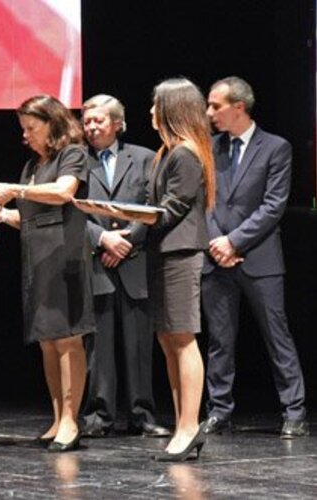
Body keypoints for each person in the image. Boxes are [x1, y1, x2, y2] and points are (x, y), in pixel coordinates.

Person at [0, 95, 95, 453]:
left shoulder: (72, 154)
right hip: (38, 260)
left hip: (65, 256)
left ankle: (72, 420)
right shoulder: (32, 165)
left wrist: (17, 190)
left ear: (52, 124)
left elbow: (63, 192)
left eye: (31, 128)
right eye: (24, 129)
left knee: (67, 338)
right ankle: (58, 417)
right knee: (48, 340)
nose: (25, 135)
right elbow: (29, 217)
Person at [201, 76, 307, 438]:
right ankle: (219, 410)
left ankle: (294, 411)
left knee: (277, 336)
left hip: (259, 258)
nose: (209, 112)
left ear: (239, 107)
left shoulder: (275, 147)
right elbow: (205, 202)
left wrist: (234, 242)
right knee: (220, 340)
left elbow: (273, 205)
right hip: (216, 258)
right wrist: (217, 243)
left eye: (216, 106)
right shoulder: (209, 147)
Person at [79, 95, 170, 439]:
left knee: (138, 346)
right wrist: (102, 239)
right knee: (98, 347)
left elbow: (154, 205)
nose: (91, 127)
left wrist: (127, 241)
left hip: (135, 261)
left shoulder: (144, 158)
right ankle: (98, 416)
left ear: (117, 123)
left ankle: (142, 415)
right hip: (96, 260)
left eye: (98, 120)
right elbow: (70, 209)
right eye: (87, 122)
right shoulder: (77, 160)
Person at [143, 78, 214, 460]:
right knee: (168, 339)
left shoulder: (185, 153)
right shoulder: (166, 153)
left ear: (172, 109)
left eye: (156, 105)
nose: (151, 112)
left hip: (180, 254)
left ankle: (189, 426)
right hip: (163, 252)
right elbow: (154, 205)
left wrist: (130, 225)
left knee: (183, 338)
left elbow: (170, 209)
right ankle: (181, 423)